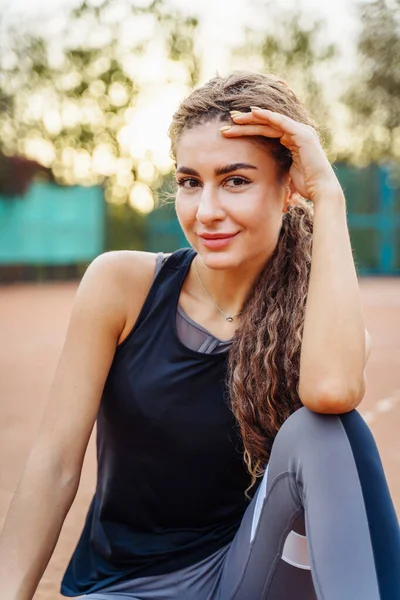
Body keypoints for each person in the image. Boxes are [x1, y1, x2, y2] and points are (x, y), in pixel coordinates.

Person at [0, 71, 399, 600]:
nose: (206, 211)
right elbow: (52, 463)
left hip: (249, 579)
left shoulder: (320, 319)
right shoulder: (121, 285)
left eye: (236, 180)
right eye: (191, 182)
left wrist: (329, 195)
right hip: (126, 586)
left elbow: (331, 392)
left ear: (288, 189)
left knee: (324, 431)